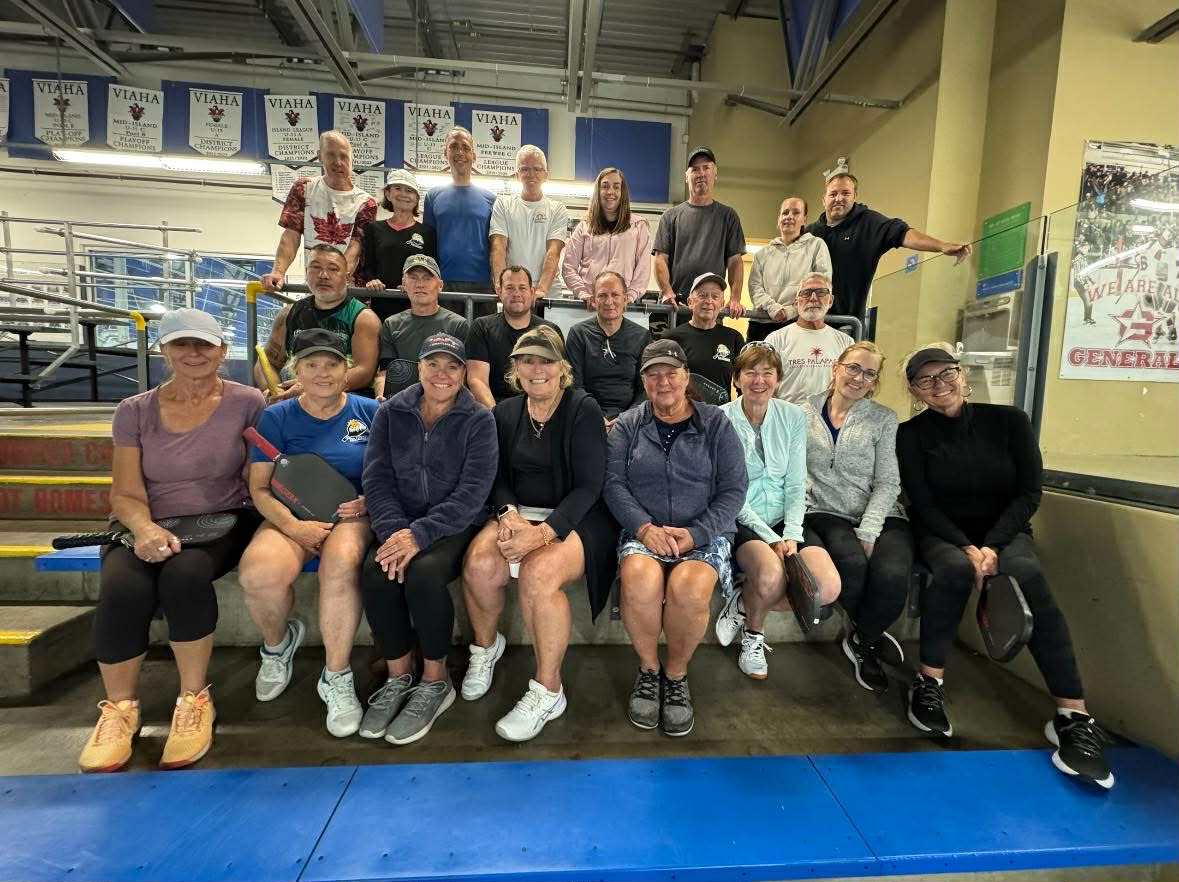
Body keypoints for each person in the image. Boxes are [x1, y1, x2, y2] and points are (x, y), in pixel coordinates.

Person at [897, 344, 1114, 790]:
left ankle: (1073, 716)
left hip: (1004, 532)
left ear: (962, 375)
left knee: (1027, 574)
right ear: (915, 391)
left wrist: (992, 546)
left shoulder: (1010, 421)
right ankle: (929, 682)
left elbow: (1029, 492)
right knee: (952, 571)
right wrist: (967, 547)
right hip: (944, 533)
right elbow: (922, 501)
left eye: (946, 374)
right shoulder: (911, 434)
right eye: (925, 380)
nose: (938, 385)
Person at [79, 309, 265, 773]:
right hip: (144, 521)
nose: (194, 353)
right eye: (182, 344)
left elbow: (257, 475)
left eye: (204, 344)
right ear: (163, 350)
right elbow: (124, 493)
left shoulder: (248, 402)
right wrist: (145, 529)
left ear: (222, 351)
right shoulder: (134, 411)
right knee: (123, 587)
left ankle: (194, 700)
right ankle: (120, 709)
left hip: (222, 520)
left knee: (185, 574)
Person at [462, 326, 618, 742]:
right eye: (526, 361)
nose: (536, 369)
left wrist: (543, 534)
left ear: (561, 368)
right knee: (478, 565)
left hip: (576, 516)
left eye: (545, 361)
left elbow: (590, 486)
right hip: (519, 512)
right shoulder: (505, 412)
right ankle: (486, 647)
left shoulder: (582, 408)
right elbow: (496, 476)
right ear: (515, 369)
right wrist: (509, 514)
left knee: (539, 573)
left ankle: (549, 690)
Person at [237, 328, 378, 738]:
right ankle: (277, 645)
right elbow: (260, 488)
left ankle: (336, 675)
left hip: (351, 514)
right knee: (258, 574)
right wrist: (293, 527)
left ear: (346, 370)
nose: (322, 373)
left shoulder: (372, 412)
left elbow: (391, 472)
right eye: (312, 364)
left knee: (342, 564)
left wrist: (369, 500)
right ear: (296, 371)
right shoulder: (276, 417)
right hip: (291, 516)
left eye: (332, 364)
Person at [358, 333, 497, 745]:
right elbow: (377, 478)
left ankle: (436, 681)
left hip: (455, 524)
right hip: (399, 520)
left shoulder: (478, 419)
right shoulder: (392, 411)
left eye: (452, 366)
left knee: (424, 574)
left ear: (464, 373)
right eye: (433, 364)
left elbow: (473, 492)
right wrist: (394, 531)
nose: (442, 374)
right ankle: (399, 676)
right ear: (418, 367)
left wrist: (419, 535)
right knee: (377, 572)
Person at [603, 339, 747, 737]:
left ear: (686, 377)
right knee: (639, 578)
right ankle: (649, 670)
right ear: (643, 380)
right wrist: (644, 528)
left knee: (689, 587)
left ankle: (677, 675)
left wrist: (698, 532)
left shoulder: (715, 422)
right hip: (645, 529)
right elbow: (613, 484)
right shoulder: (628, 424)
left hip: (704, 530)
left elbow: (734, 489)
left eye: (671, 372)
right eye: (653, 374)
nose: (663, 381)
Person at [715, 343, 840, 679]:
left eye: (767, 373)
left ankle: (743, 602)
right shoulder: (720, 418)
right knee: (770, 576)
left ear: (779, 379)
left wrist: (792, 534)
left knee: (827, 586)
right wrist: (771, 537)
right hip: (742, 517)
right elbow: (730, 490)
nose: (759, 380)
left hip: (788, 516)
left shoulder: (793, 416)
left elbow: (796, 482)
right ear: (737, 379)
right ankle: (753, 636)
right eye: (750, 372)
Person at [800, 341, 911, 693]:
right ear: (836, 367)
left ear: (875, 381)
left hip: (881, 513)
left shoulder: (883, 419)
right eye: (853, 368)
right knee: (852, 565)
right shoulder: (801, 412)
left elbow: (888, 481)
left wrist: (870, 529)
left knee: (893, 575)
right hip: (826, 511)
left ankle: (864, 637)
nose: (859, 378)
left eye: (869, 373)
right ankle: (871, 637)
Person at [808, 170, 971, 319]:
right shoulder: (811, 233)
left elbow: (902, 233)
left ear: (854, 196)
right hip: (809, 319)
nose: (838, 198)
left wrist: (941, 246)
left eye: (845, 193)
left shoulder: (868, 223)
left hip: (846, 323)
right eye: (833, 194)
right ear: (824, 200)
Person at [256, 244, 380, 400]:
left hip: (343, 401)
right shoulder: (288, 314)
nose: (323, 275)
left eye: (333, 269)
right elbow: (267, 363)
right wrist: (275, 392)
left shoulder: (364, 318)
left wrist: (312, 387)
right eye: (315, 267)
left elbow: (364, 372)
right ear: (306, 272)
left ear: (347, 278)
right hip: (293, 400)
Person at [261, 130, 377, 290]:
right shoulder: (304, 188)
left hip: (348, 286)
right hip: (316, 283)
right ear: (320, 156)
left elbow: (355, 248)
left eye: (344, 156)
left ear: (352, 159)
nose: (338, 162)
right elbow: (291, 236)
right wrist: (278, 272)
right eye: (331, 155)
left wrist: (336, 280)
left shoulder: (366, 203)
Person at [654, 146, 746, 317]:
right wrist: (666, 291)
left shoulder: (728, 216)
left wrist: (735, 298)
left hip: (711, 308)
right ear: (686, 177)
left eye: (706, 168)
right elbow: (661, 259)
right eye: (695, 169)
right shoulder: (670, 216)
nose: (701, 173)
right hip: (676, 307)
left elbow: (735, 261)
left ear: (715, 174)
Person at [423, 126, 497, 314]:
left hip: (483, 285)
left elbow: (496, 246)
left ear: (474, 155)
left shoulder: (491, 198)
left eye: (465, 147)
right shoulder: (432, 196)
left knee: (482, 334)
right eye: (454, 146)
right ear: (445, 153)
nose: (460, 152)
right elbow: (428, 245)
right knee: (446, 334)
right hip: (444, 284)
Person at [373, 255, 468, 400]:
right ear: (404, 284)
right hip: (401, 400)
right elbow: (385, 372)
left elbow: (462, 376)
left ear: (440, 285)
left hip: (443, 397)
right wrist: (381, 396)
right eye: (413, 278)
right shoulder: (391, 324)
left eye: (427, 278)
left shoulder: (458, 324)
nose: (420, 284)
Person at [466, 266, 563, 408]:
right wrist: (497, 415)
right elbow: (477, 380)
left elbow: (559, 381)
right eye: (509, 288)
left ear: (532, 292)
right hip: (494, 408)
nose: (516, 294)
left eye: (522, 288)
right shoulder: (481, 327)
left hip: (540, 408)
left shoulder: (550, 331)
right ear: (499, 291)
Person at [565, 270, 652, 427]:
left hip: (631, 419)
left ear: (625, 299)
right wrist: (596, 416)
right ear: (593, 300)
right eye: (602, 295)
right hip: (586, 415)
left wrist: (627, 419)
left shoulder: (642, 336)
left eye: (615, 295)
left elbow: (645, 388)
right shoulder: (578, 334)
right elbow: (574, 385)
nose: (609, 301)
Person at [561, 166, 653, 305]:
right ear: (598, 191)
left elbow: (643, 268)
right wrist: (584, 294)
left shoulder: (639, 226)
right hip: (590, 305)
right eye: (605, 186)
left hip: (623, 306)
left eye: (616, 187)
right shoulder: (584, 227)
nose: (610, 191)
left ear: (622, 192)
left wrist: (630, 296)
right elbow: (568, 266)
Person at [490, 145, 570, 302]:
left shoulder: (557, 209)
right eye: (525, 169)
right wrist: (501, 284)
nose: (531, 174)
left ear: (546, 175)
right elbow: (498, 247)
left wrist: (541, 290)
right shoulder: (503, 205)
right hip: (514, 291)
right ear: (517, 175)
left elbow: (553, 252)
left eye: (537, 169)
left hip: (547, 292)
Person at [746, 196, 832, 341]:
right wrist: (773, 308)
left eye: (796, 212)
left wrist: (790, 311)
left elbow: (822, 286)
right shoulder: (762, 254)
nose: (789, 216)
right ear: (779, 219)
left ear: (804, 219)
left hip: (799, 324)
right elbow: (755, 287)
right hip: (761, 325)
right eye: (785, 213)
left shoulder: (816, 246)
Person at [360, 168, 437, 322]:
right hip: (381, 300)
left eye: (409, 190)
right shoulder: (374, 228)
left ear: (416, 198)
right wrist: (372, 280)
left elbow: (432, 269)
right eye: (397, 188)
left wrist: (413, 284)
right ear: (388, 194)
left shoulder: (427, 232)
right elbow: (367, 266)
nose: (403, 194)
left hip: (414, 304)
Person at [764, 272, 853, 405]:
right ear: (796, 302)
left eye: (821, 292)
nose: (813, 298)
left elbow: (849, 384)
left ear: (830, 300)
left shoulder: (846, 342)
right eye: (806, 293)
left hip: (828, 416)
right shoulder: (776, 340)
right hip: (787, 415)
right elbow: (765, 383)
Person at [661, 272, 745, 405]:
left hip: (720, 414)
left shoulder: (734, 338)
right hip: (683, 412)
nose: (709, 301)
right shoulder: (671, 338)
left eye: (715, 296)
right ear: (690, 302)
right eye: (703, 295)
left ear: (722, 304)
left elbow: (743, 382)